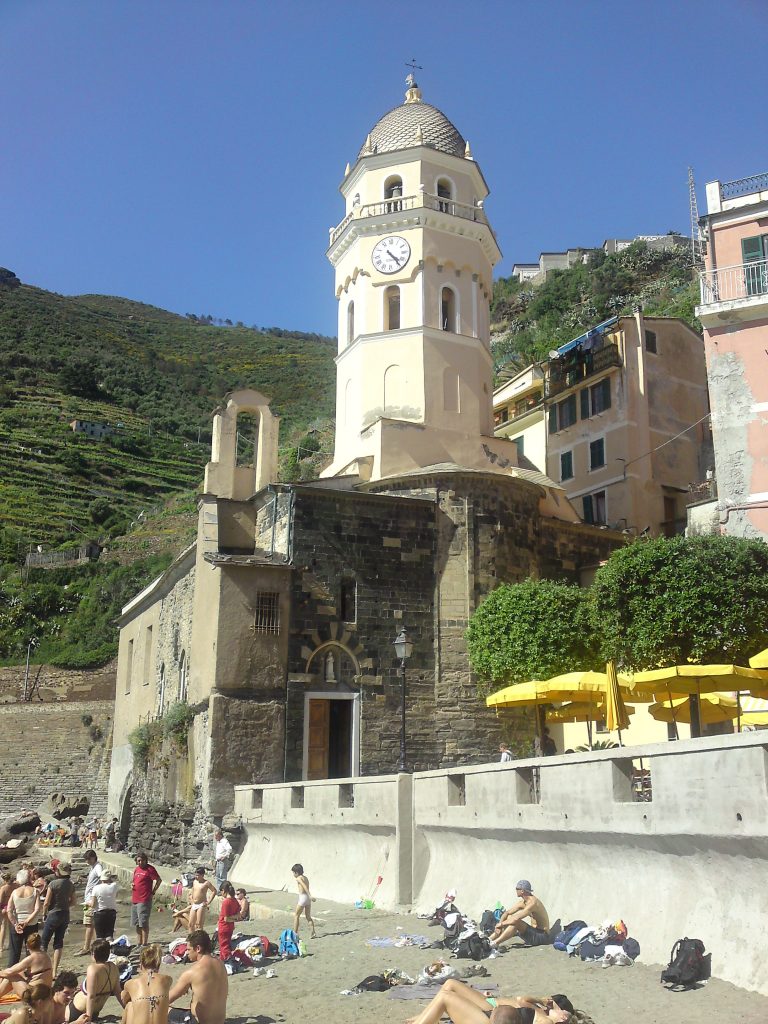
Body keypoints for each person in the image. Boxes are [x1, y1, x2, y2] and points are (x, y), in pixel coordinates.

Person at [403, 980, 575, 1024]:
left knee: (446, 996)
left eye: (562, 1012)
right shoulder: (541, 1014)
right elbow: (523, 1000)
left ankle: (424, 1018)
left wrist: (543, 1002)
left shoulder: (544, 1017)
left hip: (490, 1015)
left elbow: (521, 1000)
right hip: (490, 1010)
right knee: (449, 985)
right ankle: (425, 1016)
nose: (557, 1009)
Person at [168, 929, 228, 1024]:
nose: (186, 953)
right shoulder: (220, 964)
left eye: (188, 949)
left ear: (198, 948)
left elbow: (167, 999)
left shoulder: (192, 972)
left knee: (165, 1009)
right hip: (220, 1021)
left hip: (197, 1021)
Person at [71, 938, 123, 1020]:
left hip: (79, 1009)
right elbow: (118, 992)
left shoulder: (93, 969)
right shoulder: (113, 967)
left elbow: (91, 996)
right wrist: (126, 1008)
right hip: (95, 1011)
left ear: (94, 954)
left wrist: (88, 1018)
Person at [490, 880, 553, 948]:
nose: (515, 890)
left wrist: (501, 924)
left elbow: (516, 919)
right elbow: (507, 913)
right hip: (533, 933)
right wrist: (500, 924)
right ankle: (489, 939)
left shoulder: (532, 903)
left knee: (516, 922)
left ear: (522, 891)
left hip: (542, 937)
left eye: (517, 889)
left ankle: (495, 943)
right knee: (509, 917)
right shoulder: (523, 902)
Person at [121, 944, 172, 1024]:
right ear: (158, 964)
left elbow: (123, 1001)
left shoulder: (130, 984)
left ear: (141, 964)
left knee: (130, 1005)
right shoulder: (167, 980)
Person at [40, 862, 76, 976]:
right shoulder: (70, 884)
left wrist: (44, 914)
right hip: (65, 914)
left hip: (53, 914)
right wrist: (65, 905)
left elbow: (46, 902)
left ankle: (43, 969)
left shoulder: (53, 884)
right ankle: (54, 971)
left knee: (44, 942)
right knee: (58, 943)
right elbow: (74, 901)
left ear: (58, 872)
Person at [6, 870, 41, 967]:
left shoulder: (14, 892)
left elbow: (9, 910)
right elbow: (37, 909)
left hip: (17, 925)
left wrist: (15, 924)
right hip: (31, 925)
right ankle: (30, 973)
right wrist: (27, 921)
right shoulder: (35, 891)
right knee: (31, 951)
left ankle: (10, 976)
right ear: (28, 878)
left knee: (14, 953)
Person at [0, 932, 53, 998]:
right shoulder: (46, 956)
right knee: (19, 973)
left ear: (27, 946)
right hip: (46, 993)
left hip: (34, 995)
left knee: (11, 976)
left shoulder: (31, 959)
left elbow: (9, 972)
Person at [76, 848, 103, 955]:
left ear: (92, 858)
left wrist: (96, 895)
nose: (86, 862)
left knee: (89, 924)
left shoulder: (98, 867)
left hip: (91, 900)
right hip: (90, 899)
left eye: (87, 859)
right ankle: (98, 946)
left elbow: (102, 878)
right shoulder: (93, 867)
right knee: (93, 924)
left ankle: (86, 947)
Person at [131, 853, 161, 947]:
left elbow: (158, 880)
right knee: (136, 922)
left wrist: (153, 892)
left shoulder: (150, 869)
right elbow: (134, 881)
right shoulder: (136, 869)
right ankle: (139, 942)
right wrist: (132, 885)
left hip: (144, 899)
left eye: (142, 860)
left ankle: (144, 943)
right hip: (135, 898)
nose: (140, 862)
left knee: (143, 922)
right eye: (138, 860)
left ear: (145, 860)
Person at [90, 870, 119, 941]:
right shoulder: (114, 886)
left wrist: (88, 903)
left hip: (100, 913)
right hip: (111, 913)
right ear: (110, 878)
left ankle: (100, 951)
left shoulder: (96, 888)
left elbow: (93, 904)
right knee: (109, 935)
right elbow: (116, 895)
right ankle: (109, 949)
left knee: (100, 936)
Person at [186, 868, 217, 933]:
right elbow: (193, 889)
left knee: (199, 924)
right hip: (194, 903)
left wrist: (209, 901)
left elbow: (214, 891)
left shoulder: (206, 883)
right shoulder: (195, 881)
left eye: (198, 875)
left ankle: (199, 939)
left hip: (201, 904)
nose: (196, 877)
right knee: (190, 924)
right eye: (196, 875)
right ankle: (190, 938)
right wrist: (191, 896)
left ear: (202, 875)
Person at [291, 863, 316, 938]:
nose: (293, 874)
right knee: (308, 916)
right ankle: (313, 932)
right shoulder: (305, 877)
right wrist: (309, 897)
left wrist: (310, 895)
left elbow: (304, 886)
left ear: (296, 872)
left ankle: (295, 933)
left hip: (303, 897)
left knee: (296, 915)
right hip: (307, 899)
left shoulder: (298, 878)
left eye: (293, 873)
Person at [216, 884, 240, 963]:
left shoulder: (226, 902)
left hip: (224, 926)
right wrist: (233, 919)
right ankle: (225, 960)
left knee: (223, 946)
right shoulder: (235, 901)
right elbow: (238, 915)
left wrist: (231, 919)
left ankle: (227, 961)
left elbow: (225, 918)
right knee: (227, 944)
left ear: (224, 891)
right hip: (230, 926)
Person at [0, 873, 16, 954]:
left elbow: (0, 901)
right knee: (11, 926)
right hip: (12, 907)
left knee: (3, 926)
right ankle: (10, 944)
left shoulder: (3, 888)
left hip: (4, 908)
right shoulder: (14, 886)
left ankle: (1, 947)